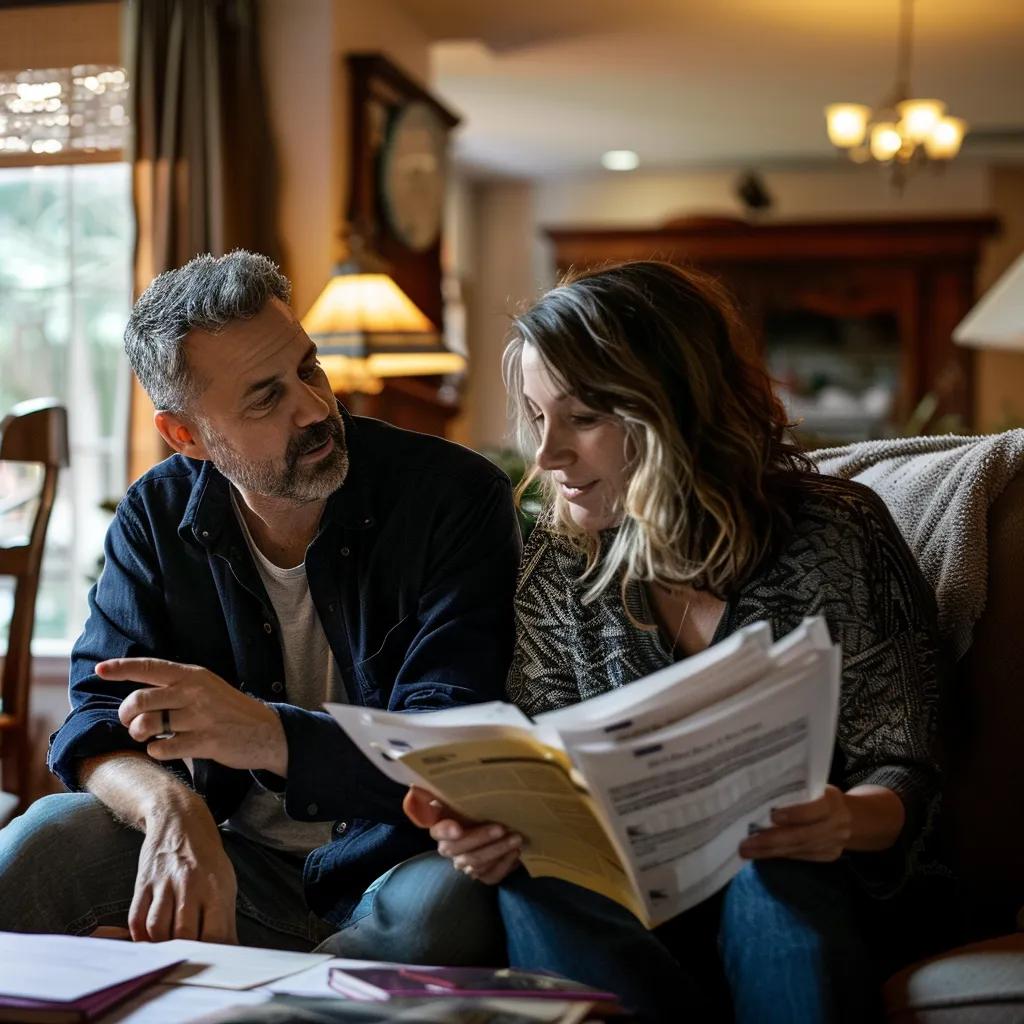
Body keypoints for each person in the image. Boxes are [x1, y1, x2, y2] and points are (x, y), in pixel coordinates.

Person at [324, 261, 946, 1022]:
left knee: (773, 869)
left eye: (583, 418)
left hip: (814, 881)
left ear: (674, 412)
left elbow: (908, 760)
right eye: (537, 416)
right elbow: (543, 752)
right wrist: (489, 829)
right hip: (636, 898)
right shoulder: (559, 562)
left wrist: (847, 817)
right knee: (534, 872)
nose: (548, 456)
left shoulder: (834, 533)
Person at [0, 250, 520, 951]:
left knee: (447, 903)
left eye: (308, 368)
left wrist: (266, 735)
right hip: (231, 857)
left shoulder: (452, 496)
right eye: (265, 396)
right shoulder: (155, 515)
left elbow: (448, 739)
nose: (313, 408)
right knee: (43, 839)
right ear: (186, 436)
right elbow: (97, 716)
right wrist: (170, 809)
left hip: (394, 862)